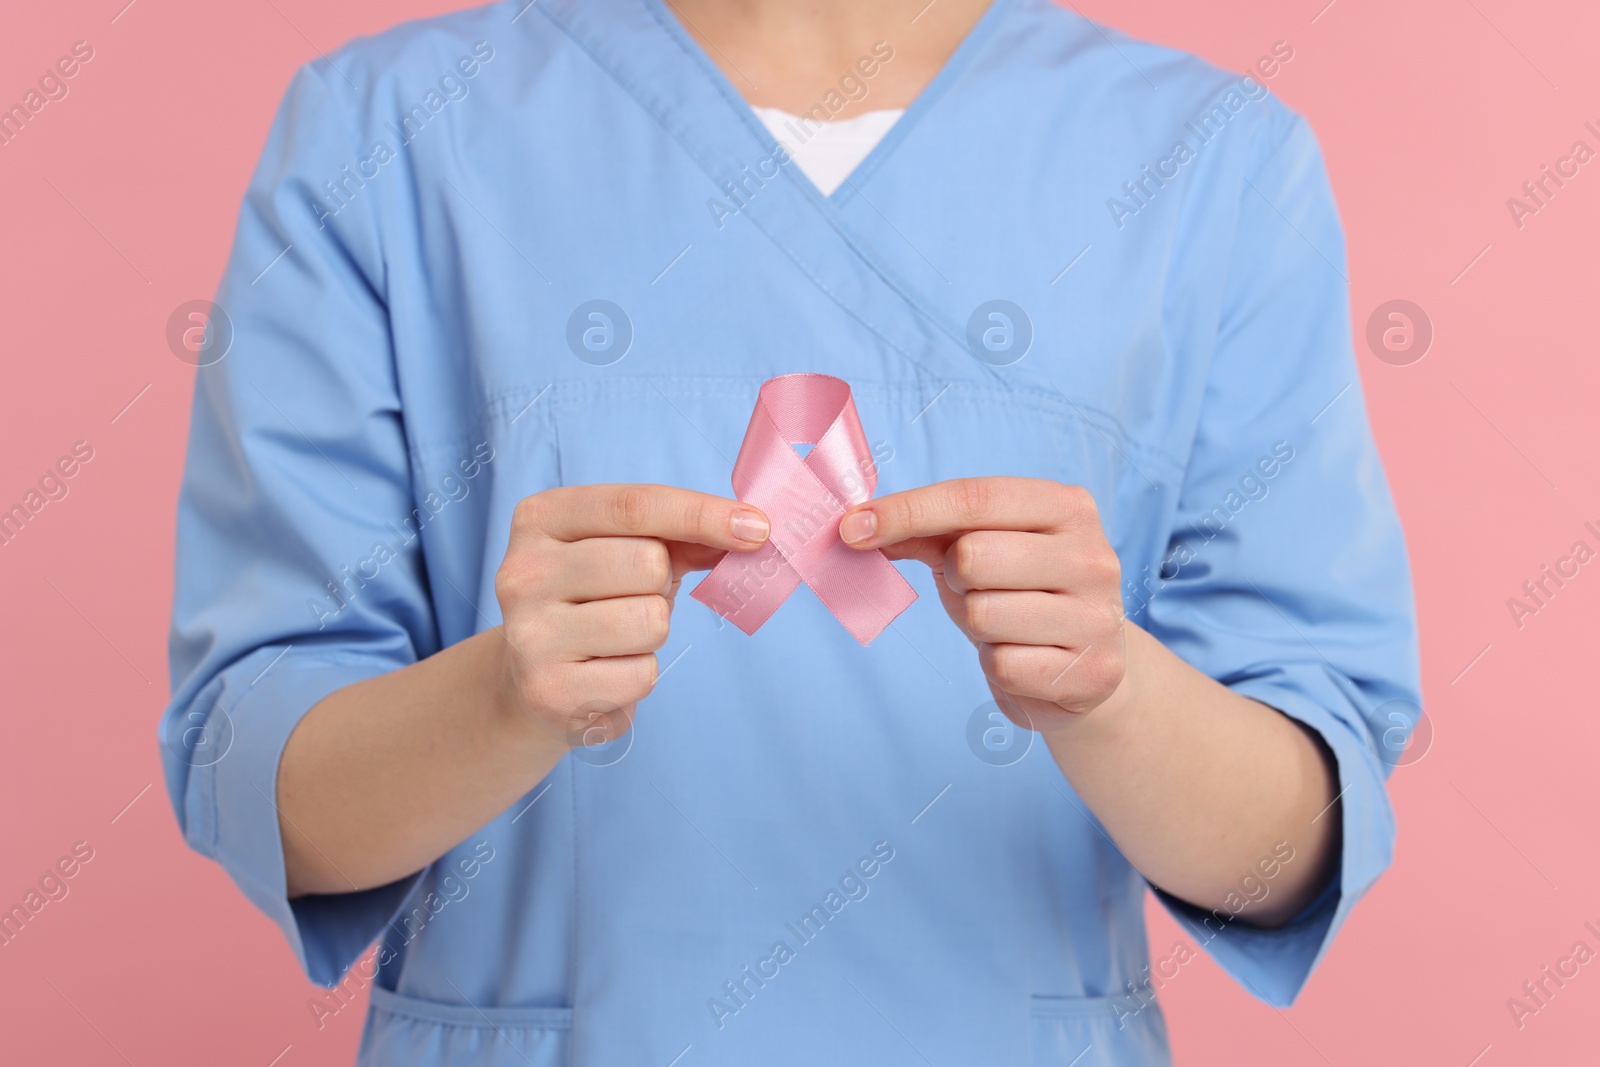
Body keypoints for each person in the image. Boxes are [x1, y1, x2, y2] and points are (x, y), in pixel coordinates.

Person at [159, 0, 1421, 1063]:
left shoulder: (1210, 162)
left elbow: (1289, 852)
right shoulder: (392, 132)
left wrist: (1115, 693)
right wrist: (504, 696)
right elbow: (261, 784)